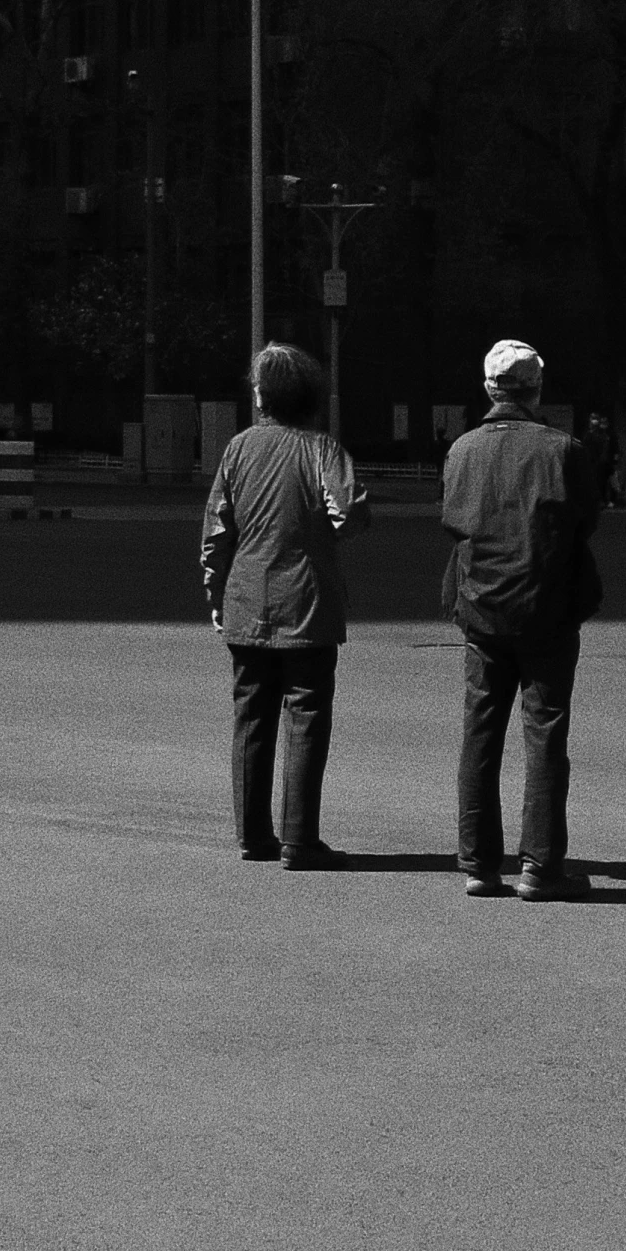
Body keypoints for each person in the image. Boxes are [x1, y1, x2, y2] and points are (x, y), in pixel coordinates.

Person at [441, 339, 601, 900]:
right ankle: (540, 867)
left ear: (488, 388)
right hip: (548, 613)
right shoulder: (564, 451)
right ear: (536, 390)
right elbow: (585, 522)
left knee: (480, 736)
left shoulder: (461, 450)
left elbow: (454, 523)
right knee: (546, 735)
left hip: (481, 612)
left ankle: (479, 864)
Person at [201, 341, 369, 870]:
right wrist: (324, 532)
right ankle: (299, 838)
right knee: (307, 716)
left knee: (250, 718)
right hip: (308, 603)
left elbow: (216, 533)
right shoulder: (322, 449)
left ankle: (253, 835)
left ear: (265, 396)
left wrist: (216, 596)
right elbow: (351, 512)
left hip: (247, 600)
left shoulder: (237, 449)